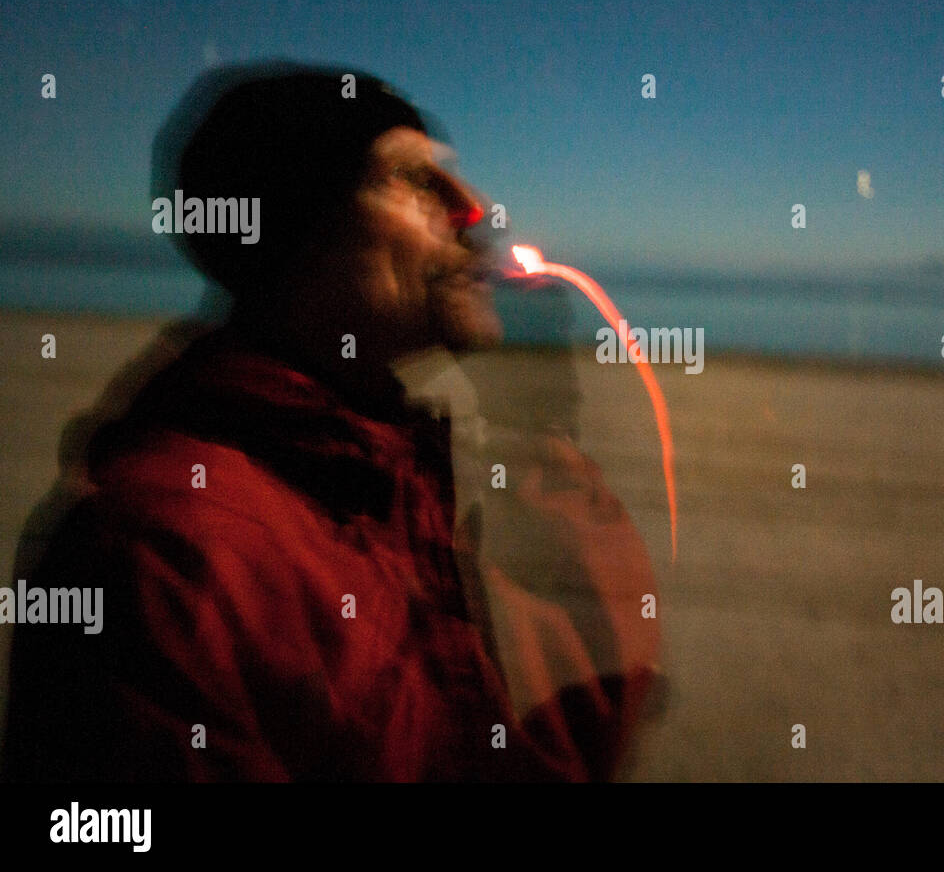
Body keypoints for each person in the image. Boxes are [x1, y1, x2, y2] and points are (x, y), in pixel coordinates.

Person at [2, 62, 661, 781]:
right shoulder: (163, 555)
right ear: (301, 233)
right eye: (410, 179)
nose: (476, 209)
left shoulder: (380, 479)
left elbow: (557, 741)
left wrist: (539, 428)